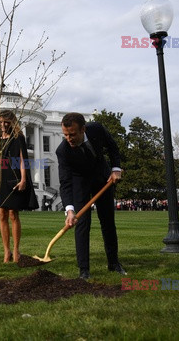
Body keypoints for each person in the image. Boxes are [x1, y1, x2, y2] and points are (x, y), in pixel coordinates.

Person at [56, 112, 126, 279]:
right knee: (82, 223)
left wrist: (116, 169)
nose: (68, 138)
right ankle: (84, 269)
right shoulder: (63, 151)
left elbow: (112, 147)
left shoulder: (97, 129)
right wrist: (70, 210)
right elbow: (65, 182)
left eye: (72, 134)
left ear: (83, 130)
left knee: (108, 221)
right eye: (65, 135)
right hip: (80, 181)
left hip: (103, 178)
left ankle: (114, 263)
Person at [0, 110, 39, 263]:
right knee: (1, 214)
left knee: (13, 214)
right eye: (0, 122)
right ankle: (6, 251)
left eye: (6, 122)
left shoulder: (18, 138)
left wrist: (23, 180)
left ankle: (16, 249)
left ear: (12, 122)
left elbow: (23, 160)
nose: (3, 124)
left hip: (13, 178)